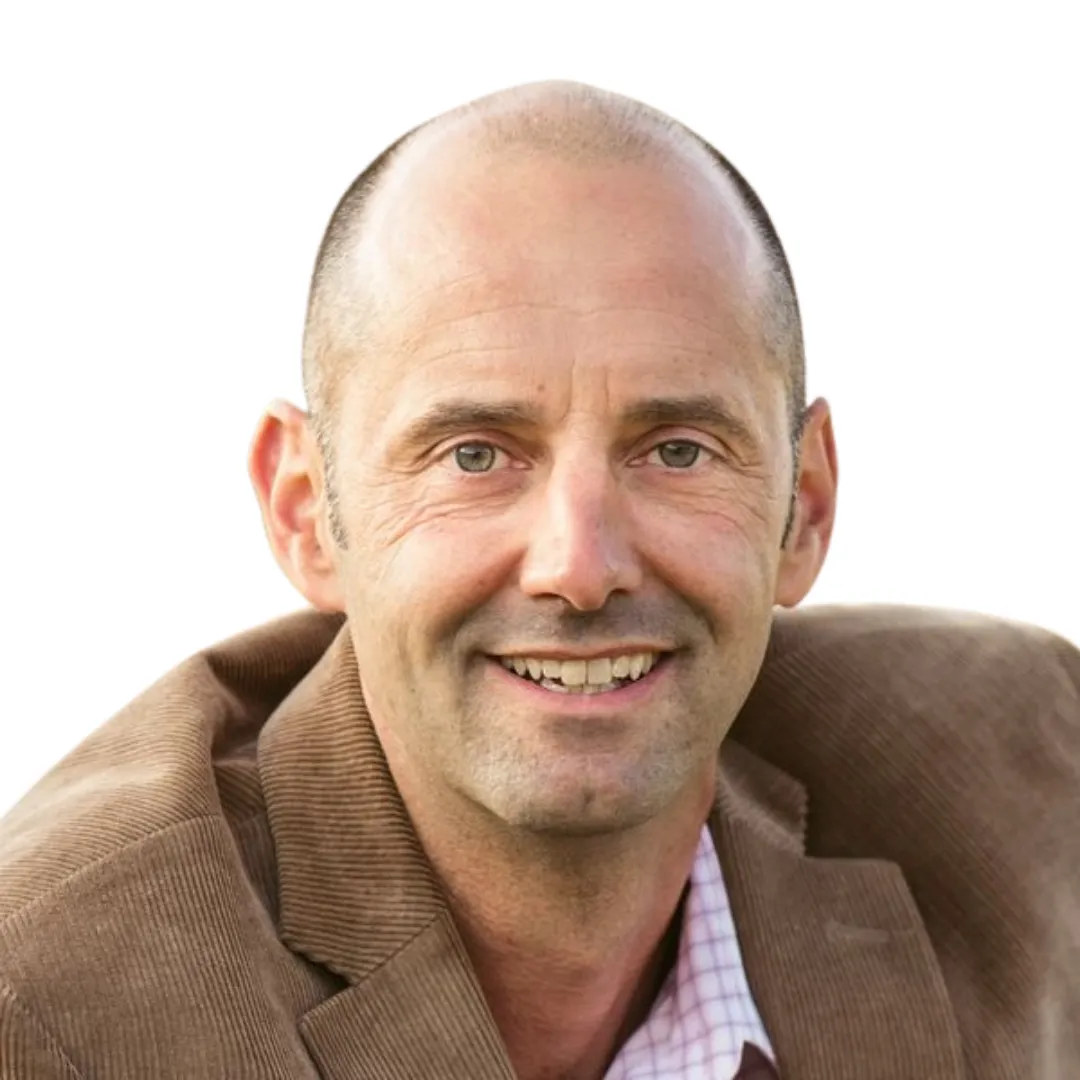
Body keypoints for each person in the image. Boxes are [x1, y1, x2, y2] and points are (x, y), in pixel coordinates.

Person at [0, 81, 1077, 1080]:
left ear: (807, 502)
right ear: (304, 510)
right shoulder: (54, 1010)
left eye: (678, 451)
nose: (580, 566)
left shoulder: (1023, 781)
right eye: (475, 454)